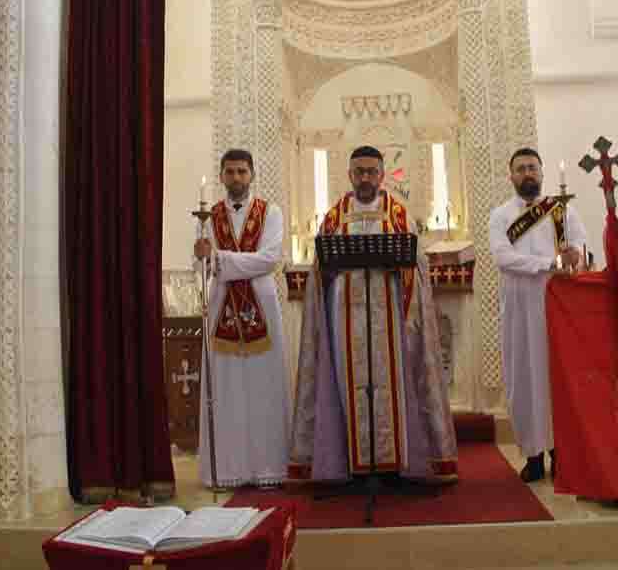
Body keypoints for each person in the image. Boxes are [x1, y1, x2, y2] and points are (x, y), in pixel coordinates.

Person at [288, 145, 458, 484]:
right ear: (349, 175)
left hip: (389, 317)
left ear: (382, 175)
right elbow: (320, 268)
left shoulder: (398, 215)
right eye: (359, 172)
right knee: (345, 385)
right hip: (345, 317)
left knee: (390, 386)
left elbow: (417, 264)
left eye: (371, 172)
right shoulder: (334, 217)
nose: (365, 178)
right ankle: (350, 463)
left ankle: (392, 464)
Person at [193, 148, 290, 488]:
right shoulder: (208, 217)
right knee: (225, 391)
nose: (236, 177)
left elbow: (269, 259)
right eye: (230, 171)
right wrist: (203, 258)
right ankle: (226, 470)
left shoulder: (270, 212)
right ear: (221, 175)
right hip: (221, 307)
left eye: (242, 171)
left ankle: (269, 469)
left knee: (265, 388)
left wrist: (219, 260)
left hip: (262, 306)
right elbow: (201, 265)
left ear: (252, 175)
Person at [488, 147, 587, 483]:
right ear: (511, 176)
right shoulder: (501, 215)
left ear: (542, 173)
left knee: (555, 377)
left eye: (532, 167)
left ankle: (560, 453)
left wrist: (575, 254)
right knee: (523, 378)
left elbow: (580, 245)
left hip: (555, 304)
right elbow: (503, 258)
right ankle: (532, 455)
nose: (527, 173)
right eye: (520, 169)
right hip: (518, 307)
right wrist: (549, 263)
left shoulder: (561, 210)